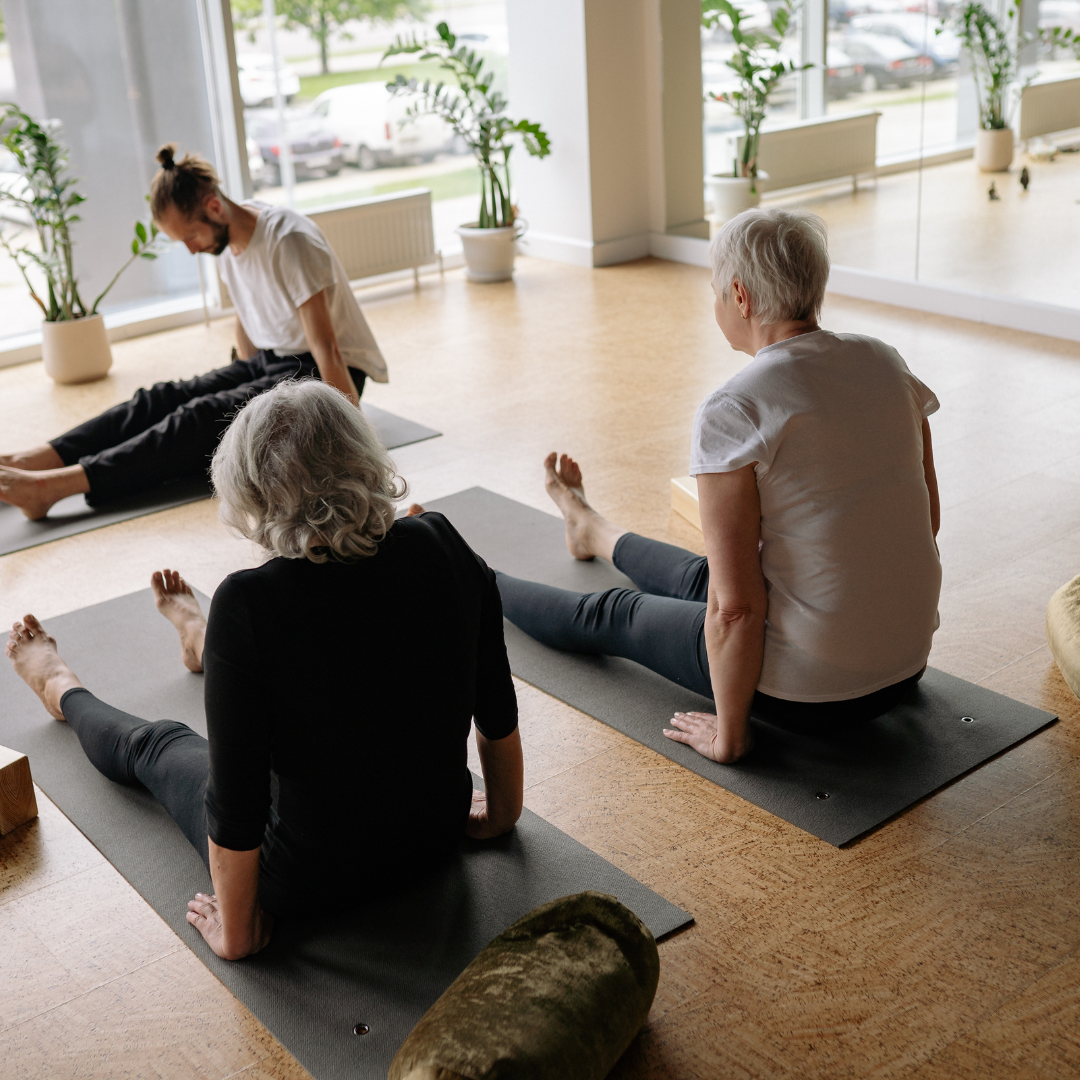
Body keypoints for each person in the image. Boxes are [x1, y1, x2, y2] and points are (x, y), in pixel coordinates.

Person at [6, 379, 523, 961]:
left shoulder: (252, 603)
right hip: (434, 836)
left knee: (158, 745)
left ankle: (59, 686)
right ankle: (205, 644)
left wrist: (239, 929)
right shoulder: (441, 542)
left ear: (255, 492)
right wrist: (500, 815)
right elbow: (496, 707)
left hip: (306, 883)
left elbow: (236, 802)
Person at [492, 208, 942, 766]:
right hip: (906, 666)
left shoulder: (736, 407)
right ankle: (592, 530)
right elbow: (927, 522)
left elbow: (736, 610)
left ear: (741, 296)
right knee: (700, 575)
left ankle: (474, 579)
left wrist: (731, 734)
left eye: (714, 292)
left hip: (812, 694)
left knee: (617, 613)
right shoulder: (885, 361)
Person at [0, 144, 388, 521]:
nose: (189, 250)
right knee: (160, 398)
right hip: (274, 362)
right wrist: (241, 382)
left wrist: (354, 445)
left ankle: (51, 488)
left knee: (198, 418)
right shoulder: (226, 241)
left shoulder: (288, 239)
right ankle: (35, 459)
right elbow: (247, 315)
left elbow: (328, 348)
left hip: (325, 377)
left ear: (214, 207)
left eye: (189, 237)